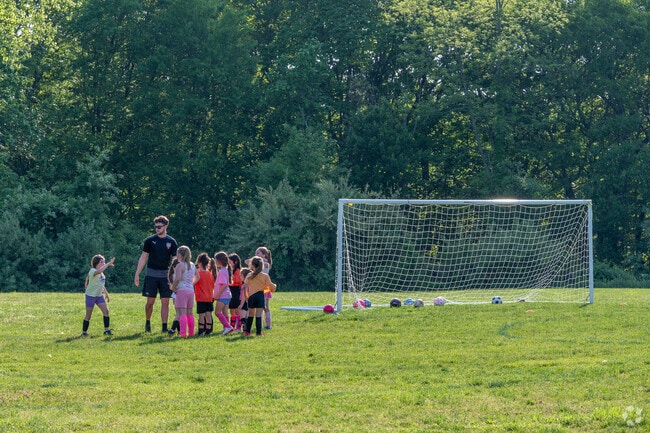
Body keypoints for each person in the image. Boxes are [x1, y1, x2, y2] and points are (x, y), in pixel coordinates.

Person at [134, 215, 178, 333]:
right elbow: (143, 257)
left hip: (165, 275)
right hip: (151, 275)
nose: (157, 228)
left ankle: (164, 327)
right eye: (156, 226)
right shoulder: (149, 240)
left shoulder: (171, 241)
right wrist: (137, 274)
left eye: (159, 226)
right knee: (150, 302)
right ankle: (148, 323)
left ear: (166, 226)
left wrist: (176, 276)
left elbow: (175, 260)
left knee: (165, 302)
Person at [82, 255, 115, 337]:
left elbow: (101, 284)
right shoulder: (93, 271)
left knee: (106, 312)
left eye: (104, 262)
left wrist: (106, 293)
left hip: (99, 296)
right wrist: (108, 264)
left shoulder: (101, 273)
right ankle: (84, 332)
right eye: (101, 262)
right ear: (96, 263)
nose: (103, 263)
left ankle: (106, 330)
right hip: (90, 296)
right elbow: (99, 271)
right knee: (88, 316)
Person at [243, 256, 276, 337]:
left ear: (252, 265)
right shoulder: (265, 276)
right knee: (258, 315)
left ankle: (247, 332)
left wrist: (246, 296)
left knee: (250, 315)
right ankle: (258, 333)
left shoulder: (249, 275)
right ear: (262, 266)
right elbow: (270, 286)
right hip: (260, 296)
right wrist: (274, 287)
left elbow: (244, 287)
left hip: (251, 296)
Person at [170, 246, 196, 338]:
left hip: (181, 290)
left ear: (180, 254)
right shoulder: (192, 265)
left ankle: (183, 333)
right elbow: (197, 277)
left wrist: (173, 288)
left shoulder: (180, 265)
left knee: (182, 313)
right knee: (190, 312)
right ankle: (192, 332)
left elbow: (177, 278)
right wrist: (191, 283)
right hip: (190, 290)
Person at [194, 252, 215, 336]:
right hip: (209, 297)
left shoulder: (198, 273)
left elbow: (194, 282)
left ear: (200, 263)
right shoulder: (210, 274)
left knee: (201, 315)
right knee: (208, 314)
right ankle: (208, 330)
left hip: (201, 297)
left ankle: (201, 330)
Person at [212, 251, 234, 335]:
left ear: (219, 261)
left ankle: (227, 327)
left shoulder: (221, 271)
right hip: (227, 295)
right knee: (225, 312)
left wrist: (217, 295)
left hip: (223, 295)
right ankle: (226, 328)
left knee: (217, 312)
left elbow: (224, 284)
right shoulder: (225, 270)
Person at [255, 246, 274, 330]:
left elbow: (265, 265)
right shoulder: (258, 263)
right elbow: (246, 261)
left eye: (258, 253)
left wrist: (260, 261)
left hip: (265, 288)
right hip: (257, 287)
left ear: (264, 254)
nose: (256, 255)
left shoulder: (267, 264)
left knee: (265, 306)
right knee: (259, 307)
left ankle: (268, 324)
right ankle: (261, 324)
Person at [228, 253, 243, 331]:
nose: (229, 264)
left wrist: (229, 282)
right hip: (231, 291)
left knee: (237, 310)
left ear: (235, 262)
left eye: (230, 262)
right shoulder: (231, 270)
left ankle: (239, 326)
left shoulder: (238, 271)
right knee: (232, 310)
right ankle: (232, 326)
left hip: (236, 291)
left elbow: (237, 281)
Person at [167, 257, 180, 335]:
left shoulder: (172, 275)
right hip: (179, 294)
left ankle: (179, 330)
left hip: (174, 295)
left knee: (177, 313)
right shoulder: (178, 275)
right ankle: (172, 329)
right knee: (179, 313)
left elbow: (171, 287)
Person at [239, 267, 251, 333]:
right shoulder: (251, 284)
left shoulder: (244, 285)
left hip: (244, 302)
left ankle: (245, 329)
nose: (240, 276)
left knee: (243, 317)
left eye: (241, 275)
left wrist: (241, 304)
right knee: (247, 316)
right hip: (249, 302)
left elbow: (244, 296)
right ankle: (247, 330)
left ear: (244, 276)